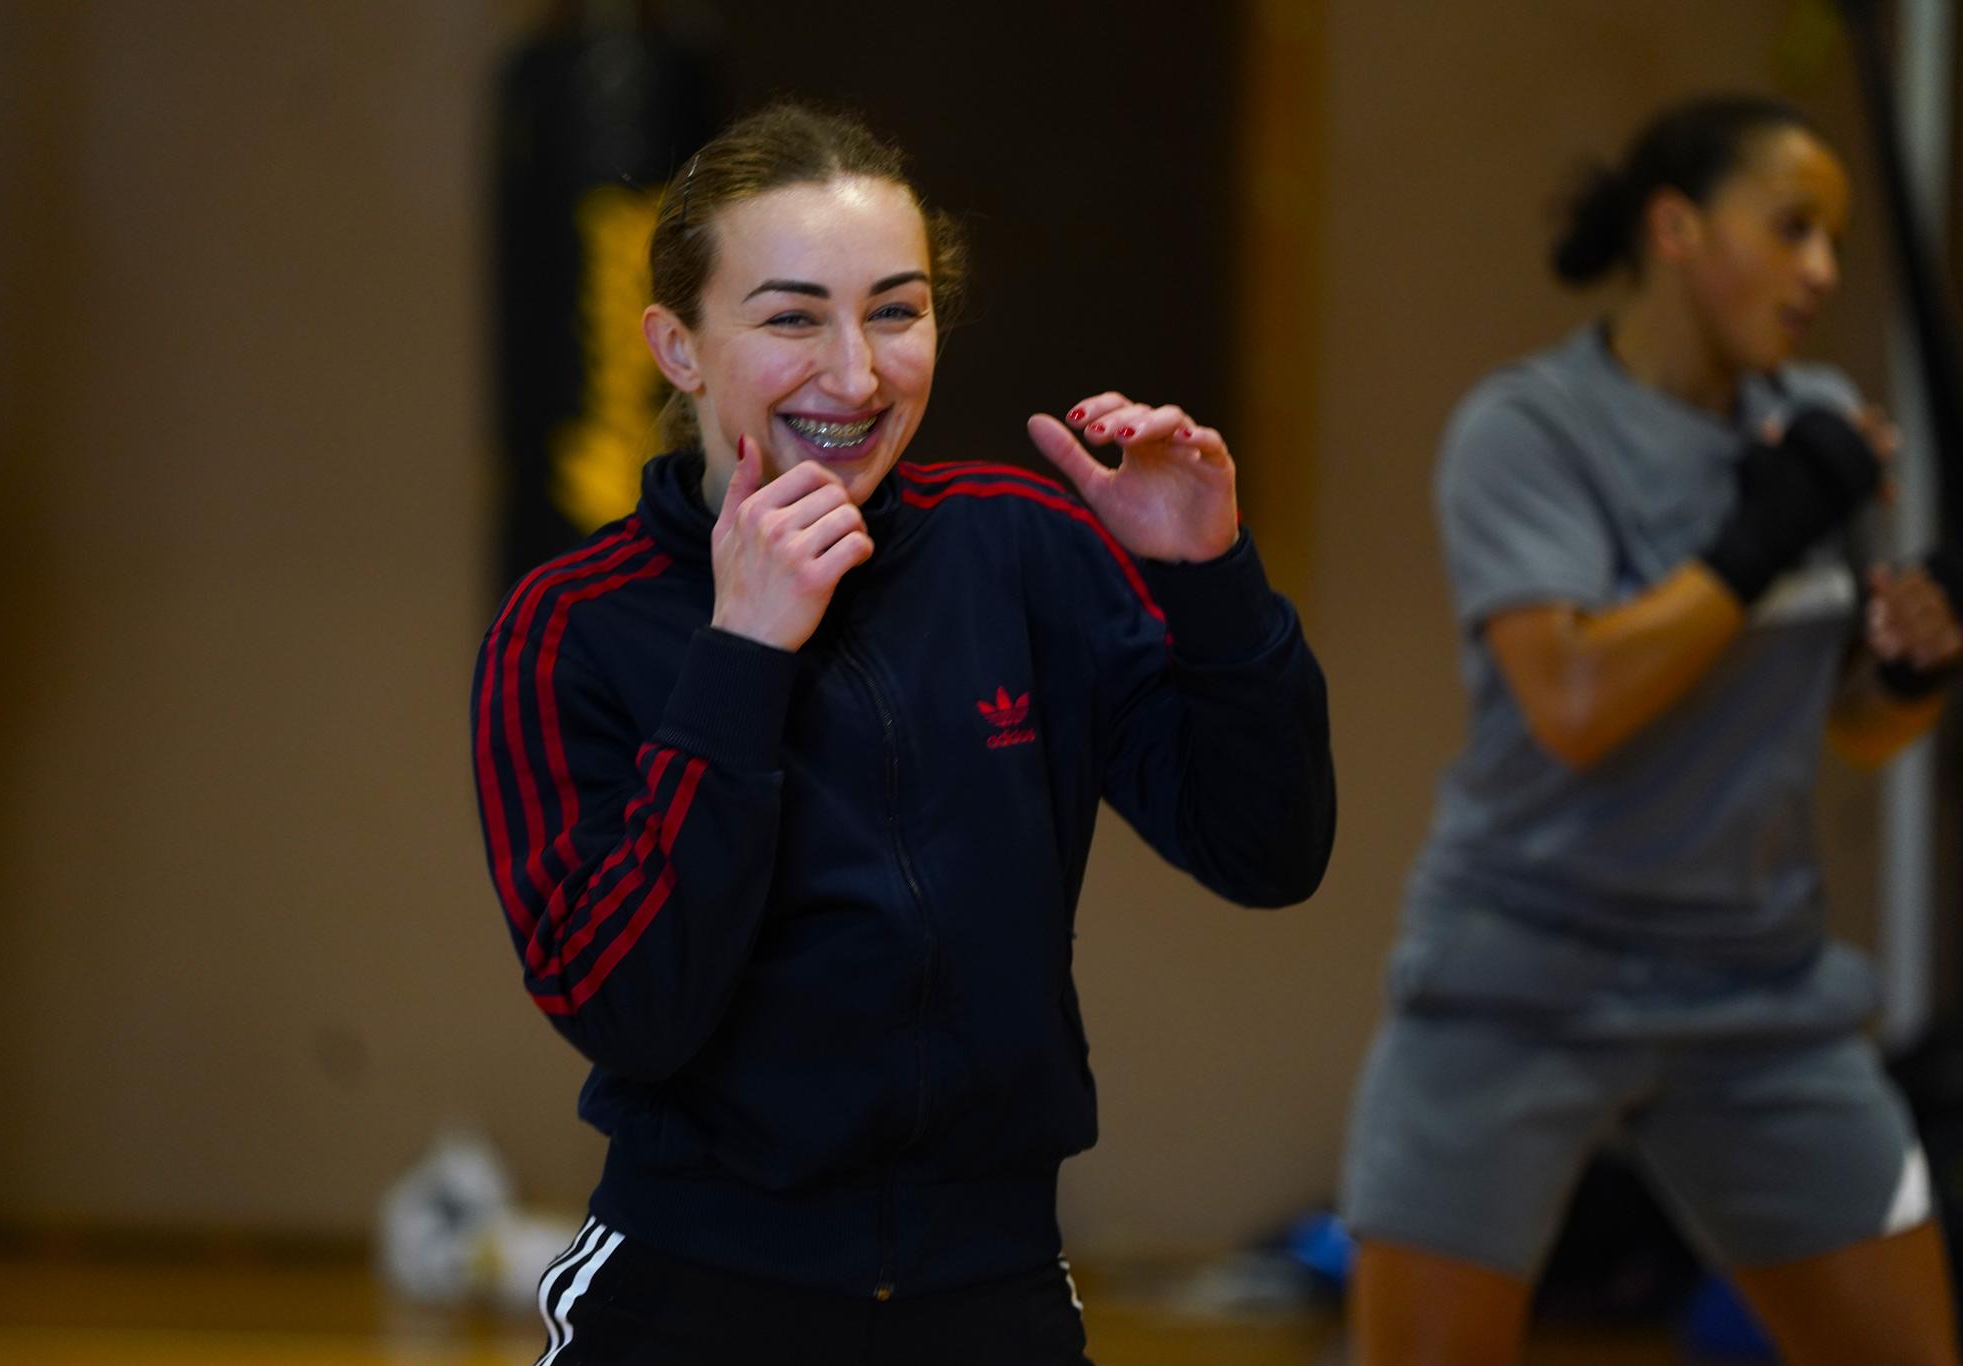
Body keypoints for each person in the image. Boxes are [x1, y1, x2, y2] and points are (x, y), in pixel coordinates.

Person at [470, 102, 1336, 1365]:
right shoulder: (570, 626)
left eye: (895, 311)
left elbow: (1267, 848)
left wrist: (1211, 580)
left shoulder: (1019, 547)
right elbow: (627, 1010)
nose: (856, 374)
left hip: (988, 1287)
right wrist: (741, 656)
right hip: (691, 1295)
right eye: (790, 318)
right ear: (677, 345)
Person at [1339, 94, 1963, 1365]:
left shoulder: (1811, 417)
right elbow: (1574, 705)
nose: (1819, 271)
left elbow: (1847, 729)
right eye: (1789, 227)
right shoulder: (1527, 430)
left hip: (1758, 984)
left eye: (1833, 240)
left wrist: (1908, 673)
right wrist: (1757, 536)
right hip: (1521, 972)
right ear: (1675, 228)